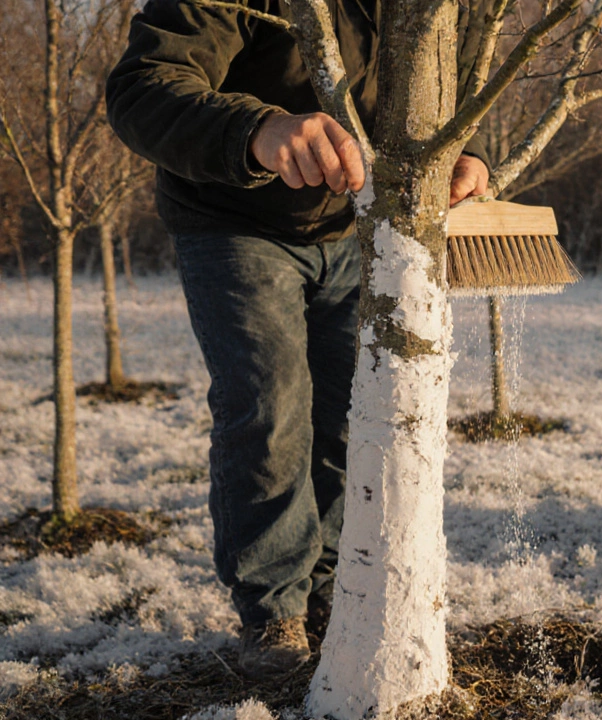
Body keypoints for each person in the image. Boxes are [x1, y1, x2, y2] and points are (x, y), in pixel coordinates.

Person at [105, 0, 489, 674]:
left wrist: (463, 154)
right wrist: (258, 129)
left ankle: (332, 593)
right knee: (270, 406)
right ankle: (273, 613)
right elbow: (142, 90)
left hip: (354, 228)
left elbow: (428, 97)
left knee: (353, 414)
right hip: (233, 219)